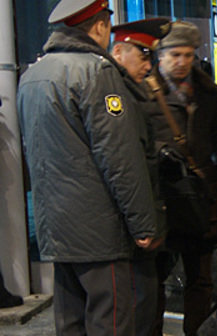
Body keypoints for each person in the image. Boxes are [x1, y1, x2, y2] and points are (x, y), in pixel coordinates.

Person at [17, 0, 158, 335]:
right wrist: (142, 224)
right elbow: (120, 158)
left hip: (56, 227)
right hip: (99, 231)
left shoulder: (32, 76)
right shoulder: (97, 72)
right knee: (110, 321)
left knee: (70, 322)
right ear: (99, 26)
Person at [148, 21, 217, 336]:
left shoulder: (207, 90)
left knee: (201, 280)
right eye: (175, 54)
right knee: (154, 280)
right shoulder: (144, 91)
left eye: (188, 54)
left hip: (201, 197)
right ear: (159, 55)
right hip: (163, 197)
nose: (182, 62)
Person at [110, 17, 171, 336]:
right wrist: (146, 225)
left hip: (139, 220)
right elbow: (127, 165)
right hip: (131, 228)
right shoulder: (119, 95)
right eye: (143, 55)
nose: (149, 65)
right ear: (119, 51)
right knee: (139, 308)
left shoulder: (136, 91)